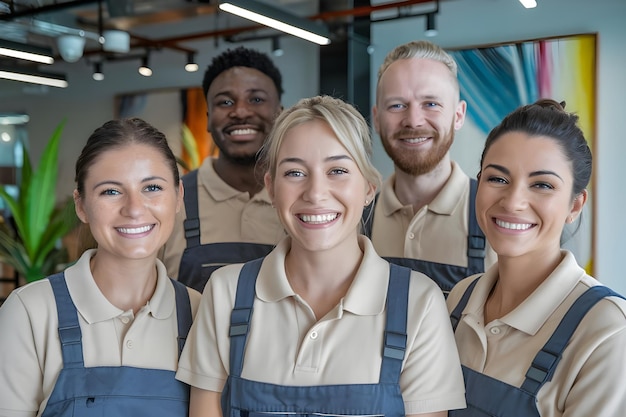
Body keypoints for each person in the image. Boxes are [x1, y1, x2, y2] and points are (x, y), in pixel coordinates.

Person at [175, 95, 466, 417]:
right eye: (295, 173)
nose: (315, 193)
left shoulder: (418, 302)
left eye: (337, 170)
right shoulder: (226, 292)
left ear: (369, 188)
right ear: (271, 188)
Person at [0, 118, 202, 417]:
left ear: (178, 197)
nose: (134, 208)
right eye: (111, 191)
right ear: (81, 205)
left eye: (152, 187)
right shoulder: (30, 312)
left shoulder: (199, 313)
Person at [447, 99, 626, 416]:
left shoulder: (608, 331)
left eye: (542, 184)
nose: (513, 201)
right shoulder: (460, 299)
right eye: (497, 179)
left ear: (574, 205)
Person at [368, 40, 496, 294]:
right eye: (397, 105)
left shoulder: (494, 217)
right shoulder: (357, 218)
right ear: (377, 119)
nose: (414, 121)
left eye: (431, 104)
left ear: (458, 116)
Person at [161, 46, 286, 292]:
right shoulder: (169, 202)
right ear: (208, 117)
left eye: (256, 99)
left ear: (280, 114)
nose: (240, 111)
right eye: (225, 102)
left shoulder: (305, 204)